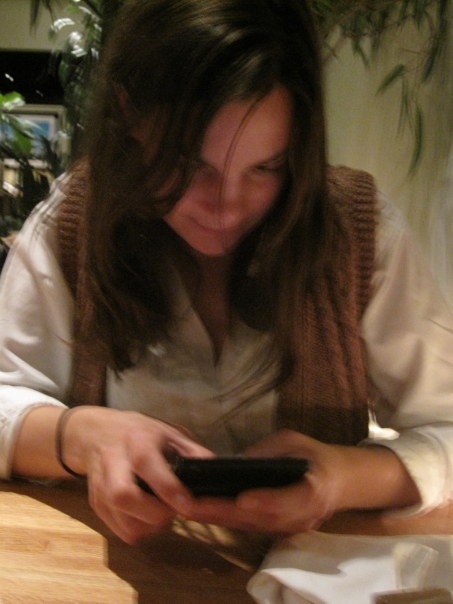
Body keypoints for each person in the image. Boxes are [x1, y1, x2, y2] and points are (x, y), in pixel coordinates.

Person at [0, 0, 453, 547]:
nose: (227, 209)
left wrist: (341, 478)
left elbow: (446, 428)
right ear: (129, 115)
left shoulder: (355, 232)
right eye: (192, 165)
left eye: (267, 167)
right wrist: (82, 437)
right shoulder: (79, 220)